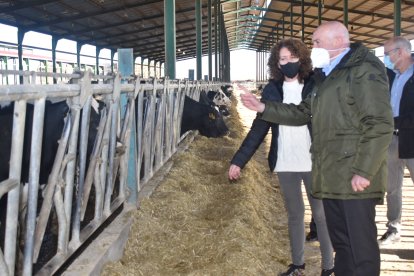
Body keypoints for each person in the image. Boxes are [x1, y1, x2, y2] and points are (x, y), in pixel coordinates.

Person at [240, 21, 393, 276]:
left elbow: (379, 123)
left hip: (353, 175)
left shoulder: (362, 69)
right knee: (343, 246)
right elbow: (303, 112)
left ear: (337, 42)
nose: (313, 48)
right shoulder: (327, 75)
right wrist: (264, 108)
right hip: (332, 173)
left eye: (317, 42)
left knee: (360, 249)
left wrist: (364, 170)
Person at [228, 38, 334, 276]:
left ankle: (329, 266)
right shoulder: (273, 89)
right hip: (285, 161)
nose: (288, 63)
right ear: (277, 63)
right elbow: (259, 128)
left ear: (302, 59)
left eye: (292, 58)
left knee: (321, 215)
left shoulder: (315, 84)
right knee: (295, 214)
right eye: (283, 59)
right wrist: (238, 160)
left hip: (313, 161)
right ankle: (298, 264)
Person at [379, 36, 414, 245]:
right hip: (391, 139)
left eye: (387, 53)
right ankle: (394, 227)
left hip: (412, 138)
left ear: (400, 52)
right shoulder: (391, 76)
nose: (386, 58)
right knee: (392, 186)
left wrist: (395, 121)